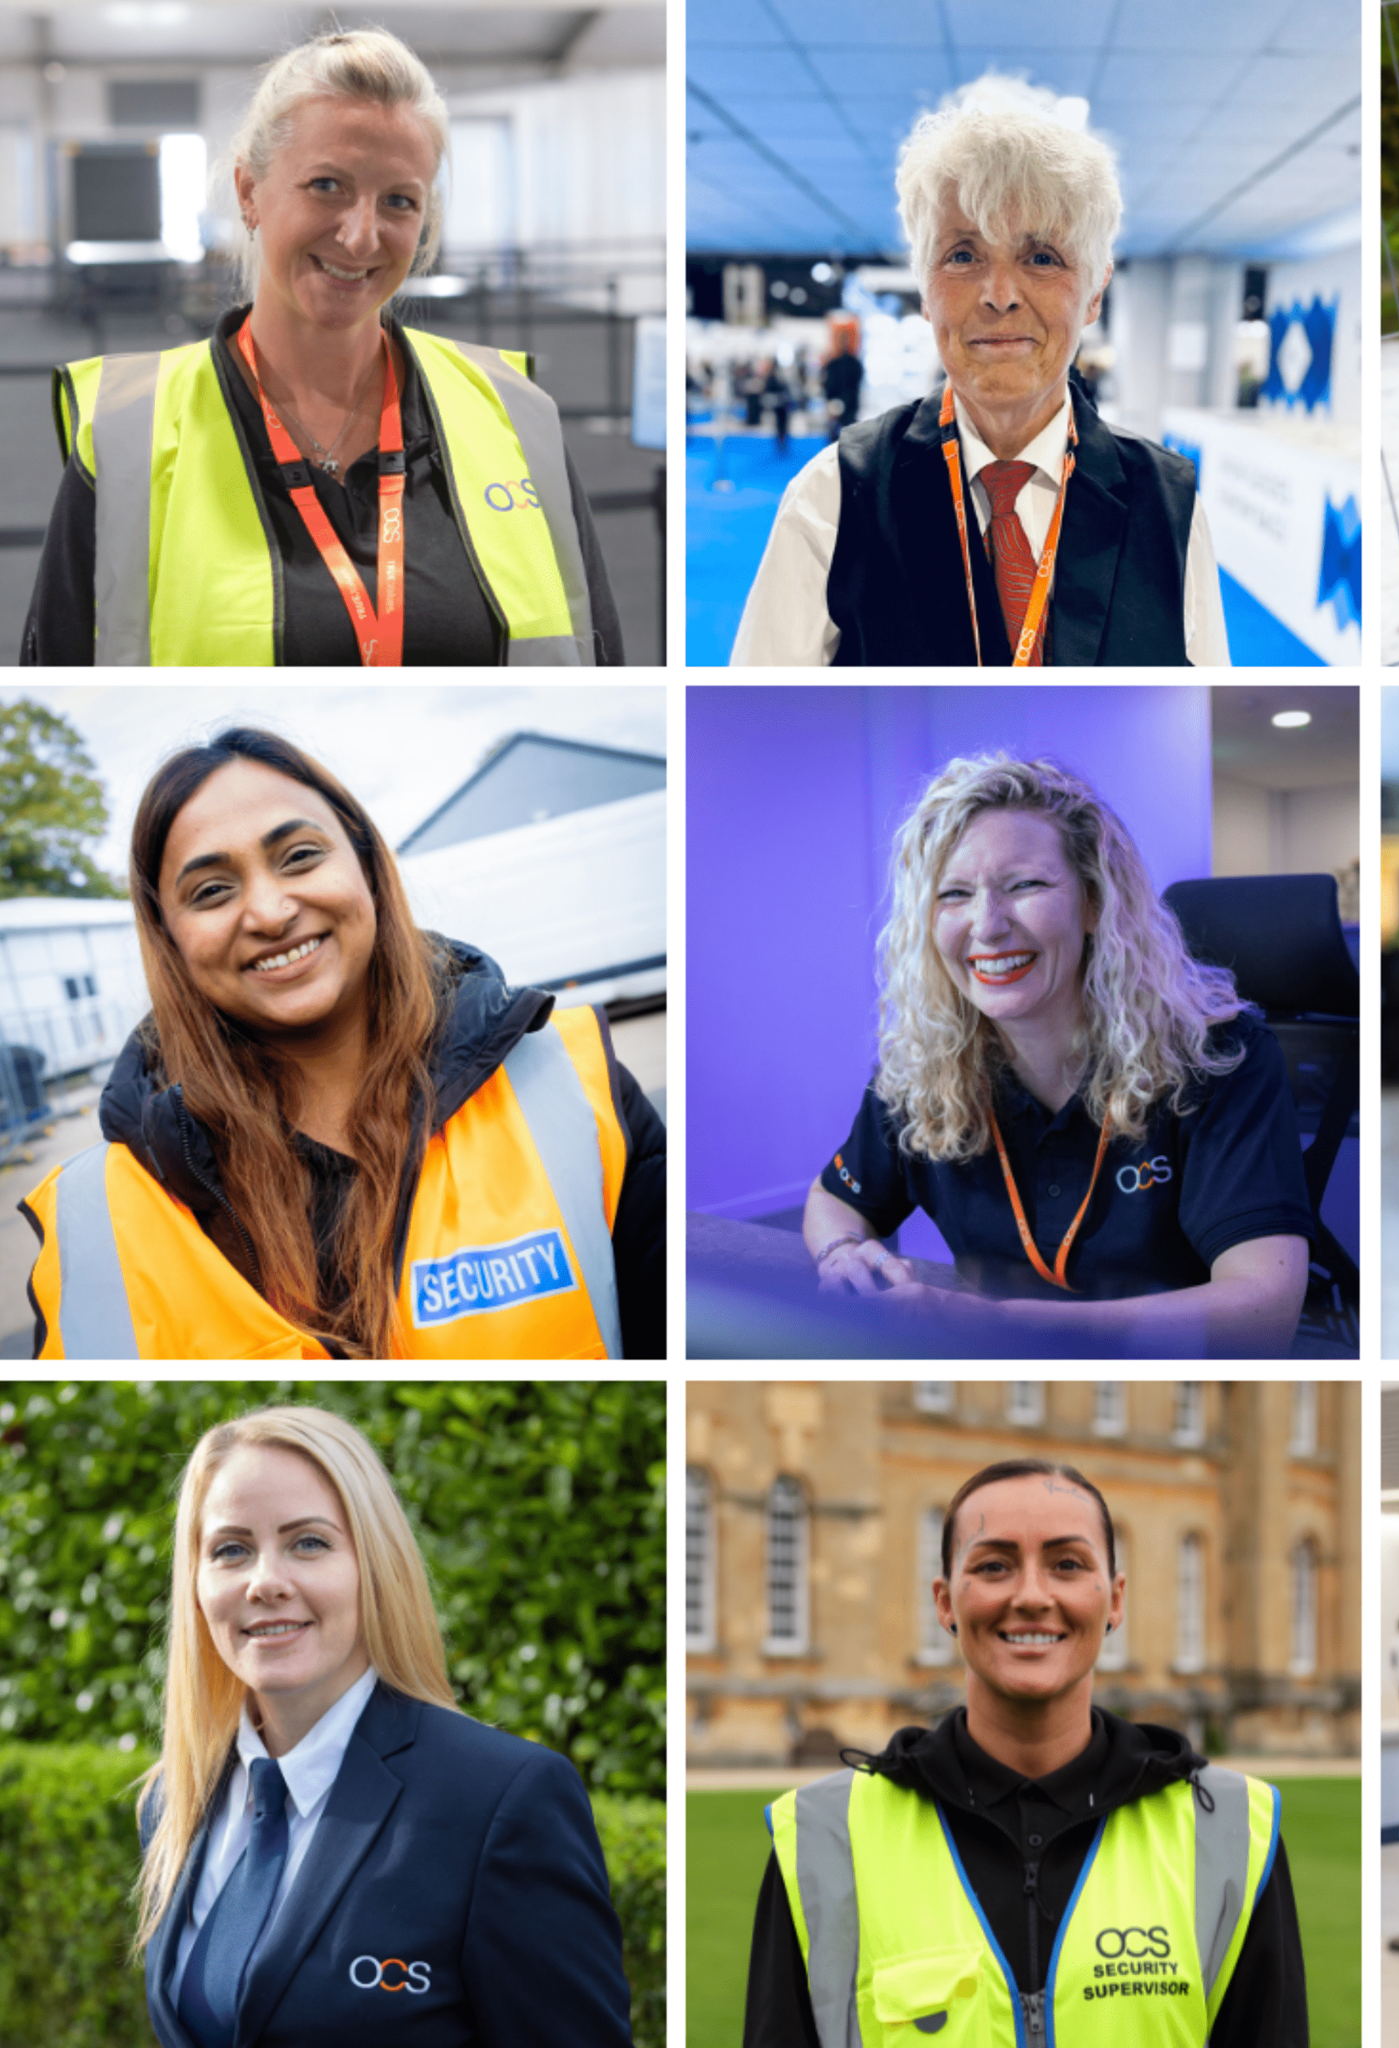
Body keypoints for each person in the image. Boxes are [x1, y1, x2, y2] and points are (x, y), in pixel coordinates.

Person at [19, 726, 664, 1358]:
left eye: (299, 856)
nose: (270, 913)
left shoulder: (576, 1089)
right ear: (169, 937)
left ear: (367, 866)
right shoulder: (96, 1218)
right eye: (212, 891)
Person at [23, 27, 624, 666]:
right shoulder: (128, 433)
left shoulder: (514, 416)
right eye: (327, 186)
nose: (362, 237)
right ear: (250, 193)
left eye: (398, 200)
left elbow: (601, 659)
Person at [747, 1457, 1307, 2045]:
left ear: (1114, 1600)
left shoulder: (1232, 1831)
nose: (1032, 1596)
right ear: (945, 1603)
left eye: (1067, 1564)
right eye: (994, 1566)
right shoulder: (822, 1838)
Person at [137, 1403, 632, 2046]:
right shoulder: (173, 1802)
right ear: (197, 1583)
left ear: (374, 1564)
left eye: (307, 1542)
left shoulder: (503, 1801)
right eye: (231, 1550)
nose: (265, 1582)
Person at [802, 754, 1312, 1358]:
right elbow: (833, 1198)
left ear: (1094, 903)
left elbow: (1264, 1310)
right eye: (955, 895)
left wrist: (1004, 1323)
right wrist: (843, 1253)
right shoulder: (924, 1062)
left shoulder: (1217, 1057)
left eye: (1025, 886)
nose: (987, 926)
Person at [731, 75, 1231, 666]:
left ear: (1095, 294)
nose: (999, 295)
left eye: (1041, 257)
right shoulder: (834, 496)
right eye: (963, 256)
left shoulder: (1166, 502)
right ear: (925, 290)